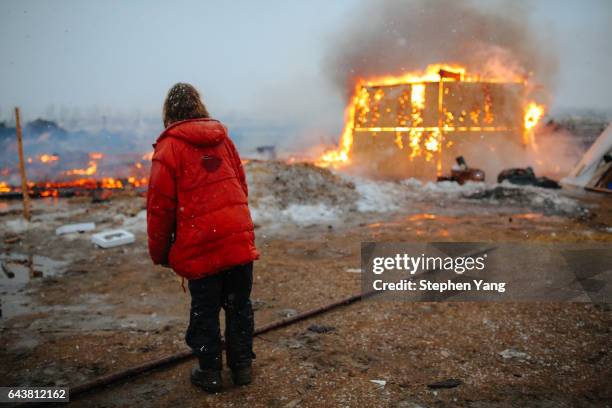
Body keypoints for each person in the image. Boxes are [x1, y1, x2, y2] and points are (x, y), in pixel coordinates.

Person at [146, 83, 259, 393]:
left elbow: (159, 208)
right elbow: (242, 187)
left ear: (168, 113)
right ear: (200, 106)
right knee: (239, 305)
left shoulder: (168, 148)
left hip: (201, 245)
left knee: (205, 310)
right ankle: (242, 367)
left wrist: (160, 252)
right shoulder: (224, 140)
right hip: (236, 240)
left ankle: (209, 372)